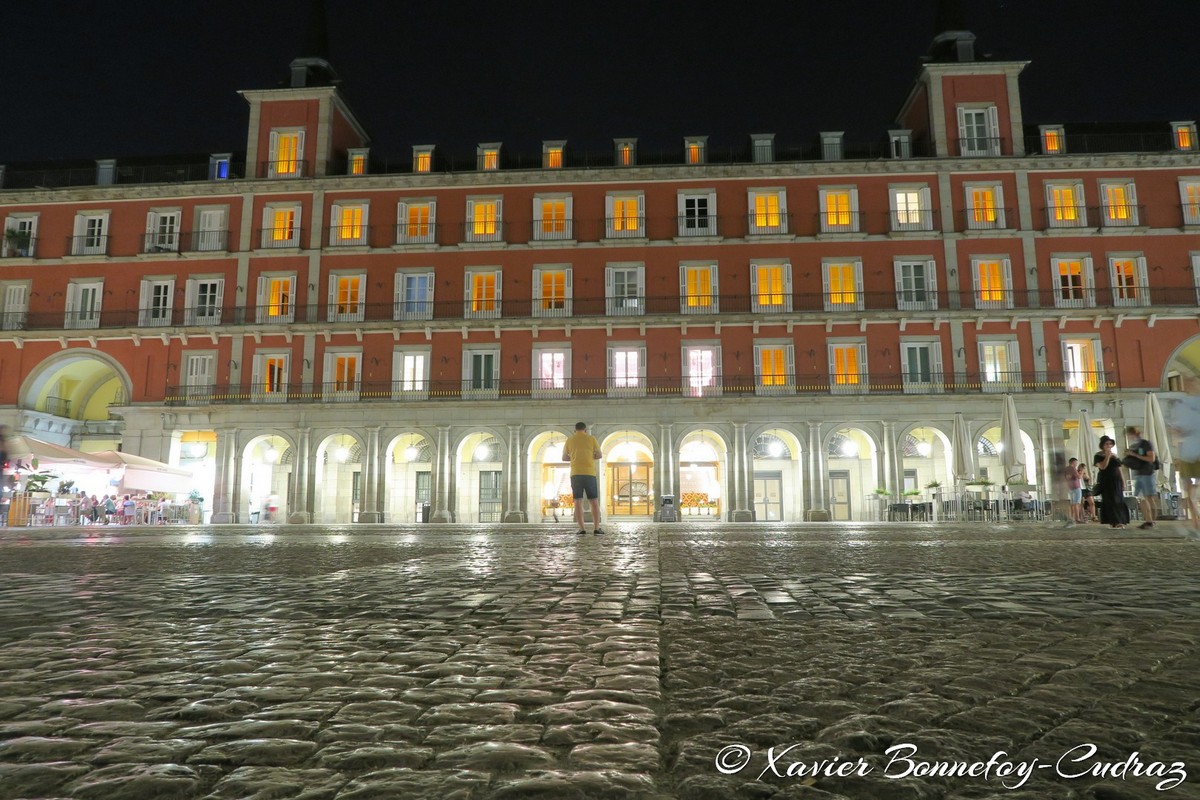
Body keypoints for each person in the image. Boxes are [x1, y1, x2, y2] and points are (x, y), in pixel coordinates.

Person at [563, 421, 604, 535]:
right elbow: (600, 455)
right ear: (585, 429)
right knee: (594, 501)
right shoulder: (591, 439)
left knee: (578, 502)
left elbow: (564, 457)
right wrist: (590, 456)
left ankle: (582, 529)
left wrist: (575, 458)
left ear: (575, 430)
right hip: (589, 473)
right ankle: (596, 528)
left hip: (575, 473)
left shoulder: (570, 440)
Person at [1124, 425, 1157, 530]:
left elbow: (1151, 458)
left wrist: (1134, 455)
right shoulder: (1135, 445)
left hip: (1147, 473)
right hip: (1139, 474)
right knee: (1141, 498)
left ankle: (1151, 521)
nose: (1129, 437)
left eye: (1130, 434)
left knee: (1148, 498)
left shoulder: (1145, 444)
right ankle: (1148, 520)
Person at [1094, 436, 1130, 529]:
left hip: (1116, 480)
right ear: (1102, 445)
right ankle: (1114, 521)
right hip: (1106, 481)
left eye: (1110, 444)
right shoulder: (1098, 456)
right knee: (1110, 501)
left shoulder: (1115, 455)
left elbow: (1119, 469)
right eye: (1107, 444)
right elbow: (1102, 467)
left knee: (1118, 500)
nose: (1109, 445)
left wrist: (1123, 481)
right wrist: (1107, 456)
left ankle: (1120, 521)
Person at [1065, 458, 1082, 525]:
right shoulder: (1072, 468)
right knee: (1076, 503)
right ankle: (1077, 518)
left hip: (1070, 487)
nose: (1076, 464)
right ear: (1073, 462)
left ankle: (1072, 518)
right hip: (1076, 487)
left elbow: (1067, 478)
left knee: (1072, 503)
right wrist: (1082, 472)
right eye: (1076, 463)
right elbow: (1079, 477)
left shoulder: (1066, 469)